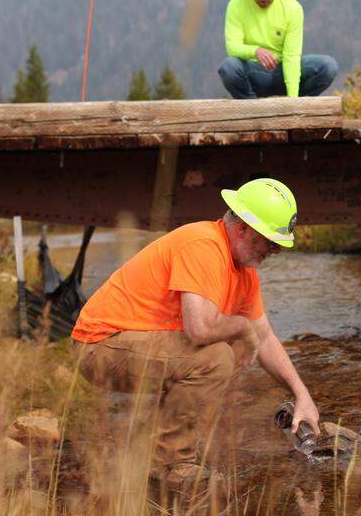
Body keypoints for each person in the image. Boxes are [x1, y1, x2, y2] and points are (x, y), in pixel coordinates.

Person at [70, 177, 321, 487]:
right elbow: (199, 329)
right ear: (243, 227)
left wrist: (302, 395)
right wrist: (242, 327)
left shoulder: (244, 272)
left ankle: (154, 447)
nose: (274, 250)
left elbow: (266, 338)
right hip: (98, 347)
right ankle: (170, 463)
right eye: (270, 241)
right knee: (216, 358)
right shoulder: (204, 245)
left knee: (218, 355)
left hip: (129, 346)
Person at [218, 0, 338, 99]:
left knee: (328, 67)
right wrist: (256, 51)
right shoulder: (236, 4)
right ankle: (252, 109)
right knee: (229, 67)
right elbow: (233, 47)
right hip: (253, 72)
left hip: (282, 71)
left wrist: (292, 102)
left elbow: (291, 57)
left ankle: (300, 105)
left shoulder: (292, 8)